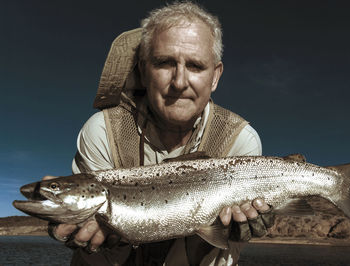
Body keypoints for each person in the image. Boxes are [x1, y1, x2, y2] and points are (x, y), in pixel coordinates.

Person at [45, 2, 275, 265]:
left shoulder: (241, 140)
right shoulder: (101, 131)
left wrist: (235, 229)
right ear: (143, 71)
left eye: (195, 66)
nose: (179, 82)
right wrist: (73, 226)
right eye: (165, 63)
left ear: (215, 77)